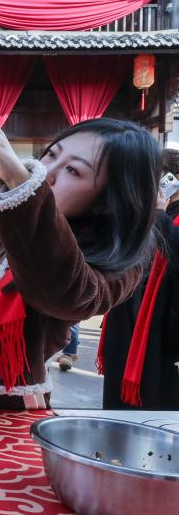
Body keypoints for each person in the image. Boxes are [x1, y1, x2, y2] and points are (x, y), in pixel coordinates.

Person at [0, 109, 160, 409]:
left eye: (73, 170)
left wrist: (21, 185)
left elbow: (64, 295)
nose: (47, 172)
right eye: (51, 154)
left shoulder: (118, 261)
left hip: (4, 394)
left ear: (108, 200)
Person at [97, 148, 179, 410]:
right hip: (127, 322)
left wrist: (158, 217)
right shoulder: (146, 215)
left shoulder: (166, 218)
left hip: (158, 335)